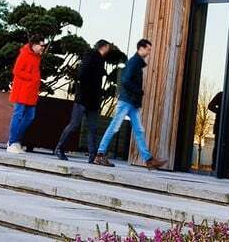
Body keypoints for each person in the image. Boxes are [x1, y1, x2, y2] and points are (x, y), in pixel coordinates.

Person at [93, 39, 168, 169]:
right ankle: (100, 154)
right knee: (114, 127)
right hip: (126, 101)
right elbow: (125, 80)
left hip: (132, 103)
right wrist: (139, 91)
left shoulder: (137, 63)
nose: (149, 52)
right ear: (141, 48)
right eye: (148, 49)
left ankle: (149, 160)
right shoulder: (134, 62)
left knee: (139, 130)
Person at [53, 39, 111, 162]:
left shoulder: (101, 60)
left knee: (92, 128)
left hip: (93, 100)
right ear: (103, 47)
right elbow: (82, 74)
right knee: (75, 124)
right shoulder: (91, 55)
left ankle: (92, 156)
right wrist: (85, 90)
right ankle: (59, 148)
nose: (109, 50)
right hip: (84, 98)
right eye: (108, 47)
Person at [6, 34, 45, 154]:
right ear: (34, 45)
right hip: (22, 91)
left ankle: (15, 141)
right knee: (18, 116)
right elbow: (16, 71)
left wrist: (35, 81)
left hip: (30, 92)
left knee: (29, 117)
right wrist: (32, 78)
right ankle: (11, 142)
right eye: (41, 45)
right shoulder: (24, 54)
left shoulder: (37, 56)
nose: (43, 47)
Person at [206, 80, 229, 175]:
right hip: (223, 127)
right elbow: (210, 106)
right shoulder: (222, 95)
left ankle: (226, 169)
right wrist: (221, 112)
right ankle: (216, 168)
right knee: (219, 148)